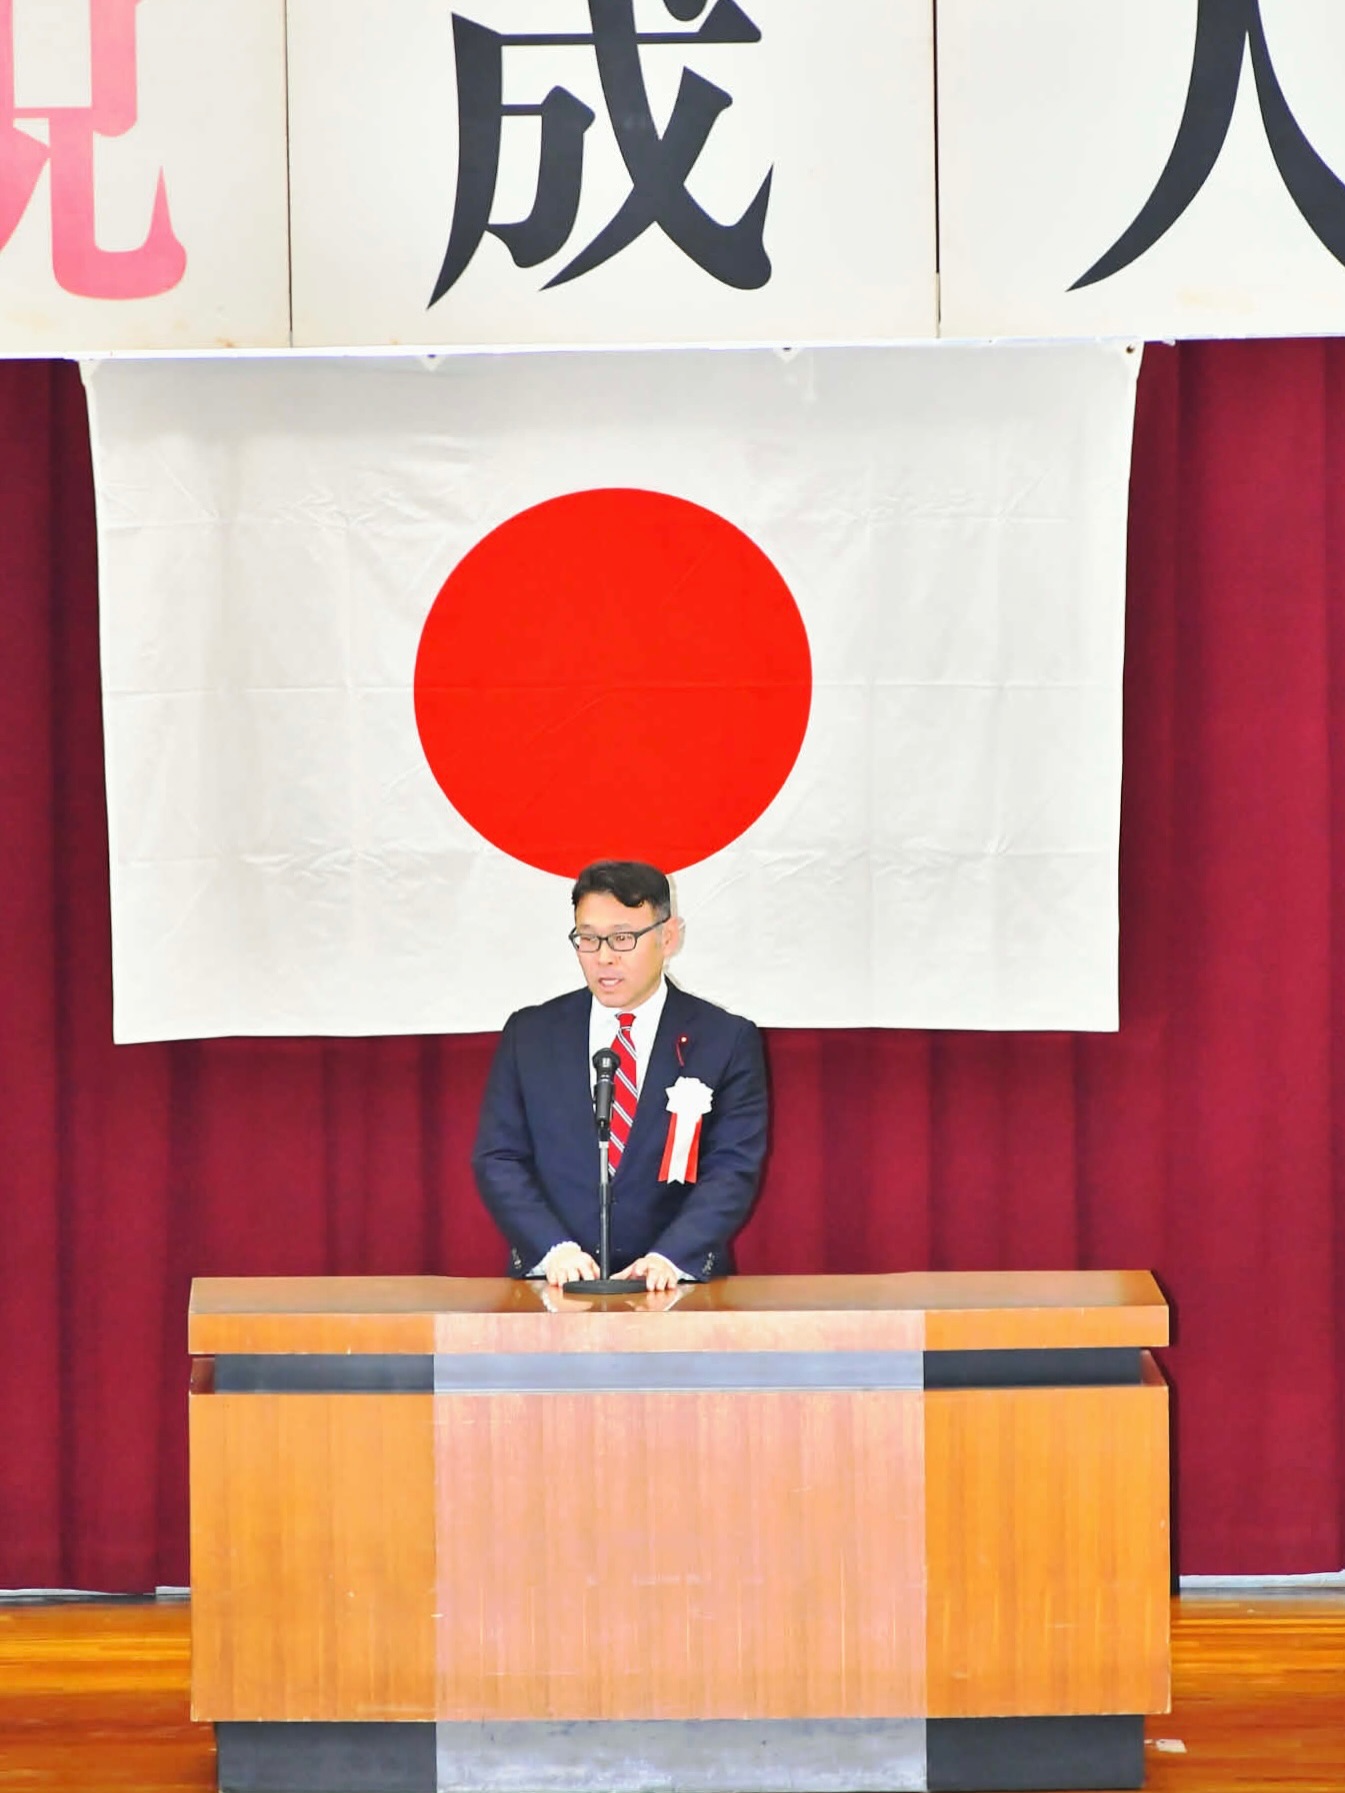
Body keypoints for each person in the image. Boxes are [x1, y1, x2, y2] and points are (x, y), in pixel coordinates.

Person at [472, 861, 768, 1291]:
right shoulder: (531, 1034)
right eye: (588, 938)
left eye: (623, 938)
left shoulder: (724, 1039)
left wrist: (670, 1257)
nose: (604, 957)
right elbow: (499, 1158)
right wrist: (554, 1249)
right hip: (553, 1283)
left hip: (675, 1286)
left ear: (668, 937)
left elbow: (732, 1167)